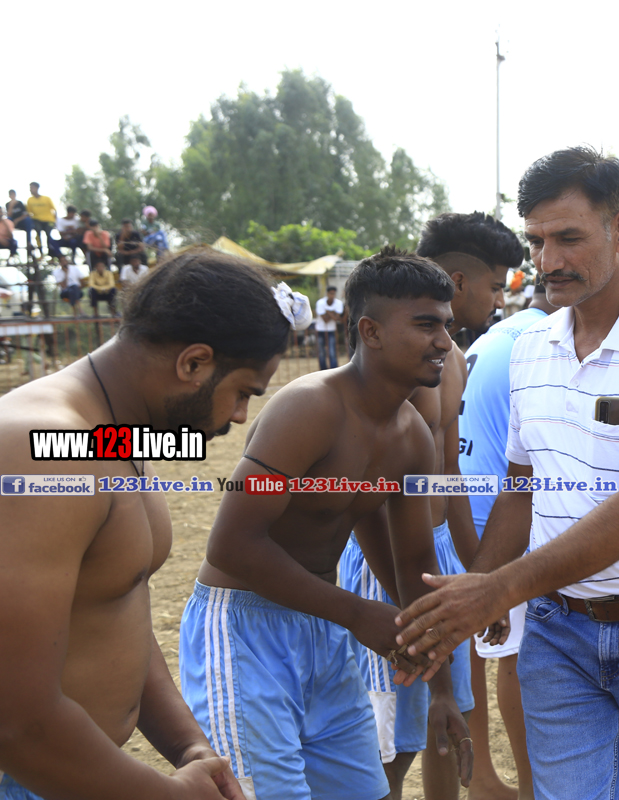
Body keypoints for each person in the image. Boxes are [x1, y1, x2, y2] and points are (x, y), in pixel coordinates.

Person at [392, 146, 619, 800]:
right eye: (537, 241)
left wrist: (499, 588)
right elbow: (521, 487)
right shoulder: (531, 348)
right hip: (557, 631)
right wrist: (483, 584)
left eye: (568, 238)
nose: (547, 260)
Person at [0, 249, 311, 800]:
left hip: (78, 770)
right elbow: (16, 720)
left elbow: (112, 604)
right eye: (243, 392)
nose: (240, 416)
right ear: (193, 364)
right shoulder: (42, 447)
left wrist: (189, 747)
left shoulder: (114, 432)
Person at [181, 249, 473, 800]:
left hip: (324, 631)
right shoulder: (309, 407)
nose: (443, 342)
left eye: (447, 326)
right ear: (371, 331)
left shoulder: (411, 436)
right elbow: (232, 544)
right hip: (245, 630)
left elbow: (413, 564)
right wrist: (358, 614)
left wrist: (442, 691)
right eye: (426, 325)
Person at [339, 213, 517, 800]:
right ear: (460, 280)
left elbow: (449, 477)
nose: (499, 300)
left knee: (447, 718)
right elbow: (373, 500)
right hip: (389, 556)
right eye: (495, 286)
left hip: (434, 553)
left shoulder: (453, 360)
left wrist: (479, 576)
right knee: (389, 741)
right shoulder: (395, 365)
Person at [458, 282, 556, 800]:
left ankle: (483, 780)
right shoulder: (545, 341)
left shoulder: (498, 335)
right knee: (521, 660)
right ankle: (532, 787)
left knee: (475, 653)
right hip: (503, 514)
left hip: (465, 507)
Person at [313, 285, 343, 370]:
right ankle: (323, 370)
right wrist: (333, 313)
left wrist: (327, 312)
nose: (332, 295)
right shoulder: (320, 302)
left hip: (331, 330)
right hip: (320, 330)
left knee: (332, 351)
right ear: (327, 293)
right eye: (331, 293)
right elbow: (326, 319)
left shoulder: (338, 303)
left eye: (333, 294)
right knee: (321, 352)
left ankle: (334, 370)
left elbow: (336, 318)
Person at [25, 183, 56, 258]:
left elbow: (54, 210)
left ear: (37, 188)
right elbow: (28, 213)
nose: (30, 190)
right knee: (38, 233)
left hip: (49, 220)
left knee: (48, 235)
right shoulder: (30, 200)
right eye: (30, 188)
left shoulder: (47, 198)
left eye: (32, 188)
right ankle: (41, 253)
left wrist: (55, 221)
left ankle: (51, 253)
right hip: (37, 220)